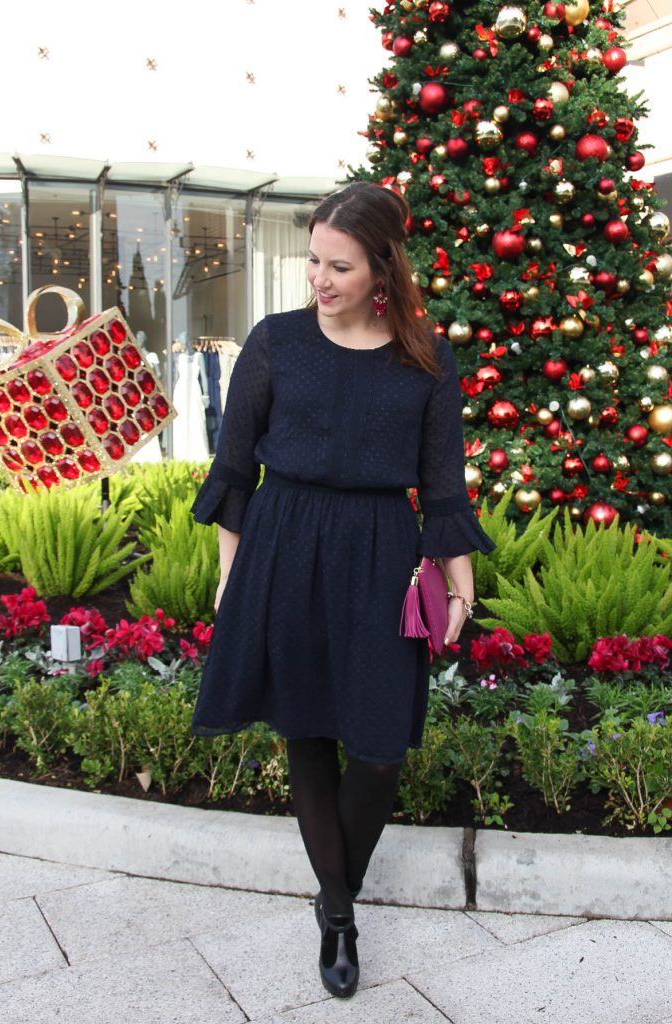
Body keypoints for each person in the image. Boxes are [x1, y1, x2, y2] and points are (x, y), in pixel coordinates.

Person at [190, 181, 495, 999]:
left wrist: (459, 587)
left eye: (340, 267)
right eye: (315, 262)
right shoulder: (277, 341)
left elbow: (442, 487)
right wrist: (230, 576)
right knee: (306, 731)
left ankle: (333, 889)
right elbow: (234, 466)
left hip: (379, 553)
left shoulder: (425, 358)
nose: (320, 281)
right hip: (284, 545)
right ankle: (339, 916)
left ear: (383, 270)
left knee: (378, 748)